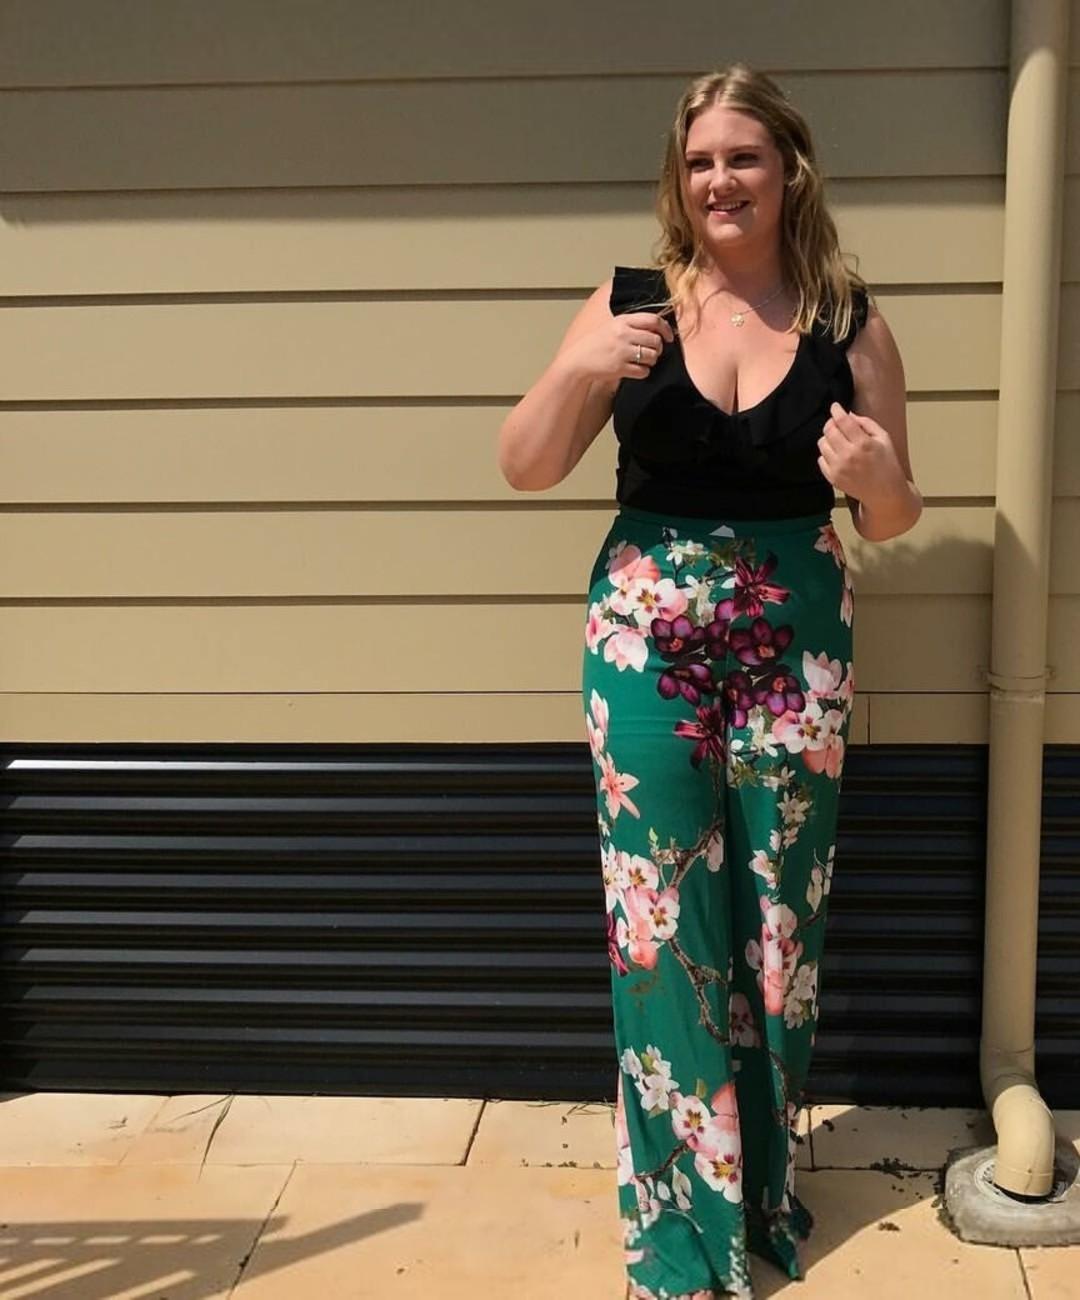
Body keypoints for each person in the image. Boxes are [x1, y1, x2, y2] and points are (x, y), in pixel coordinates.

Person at [497, 62, 921, 1300]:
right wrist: (584, 367)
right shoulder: (629, 305)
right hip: (646, 638)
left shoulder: (850, 321)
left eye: (743, 156)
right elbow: (524, 462)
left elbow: (892, 512)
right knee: (658, 920)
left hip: (796, 645)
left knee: (779, 922)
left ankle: (763, 1193)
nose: (720, 180)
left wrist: (878, 477)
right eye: (699, 161)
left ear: (789, 170)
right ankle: (684, 1233)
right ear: (677, 181)